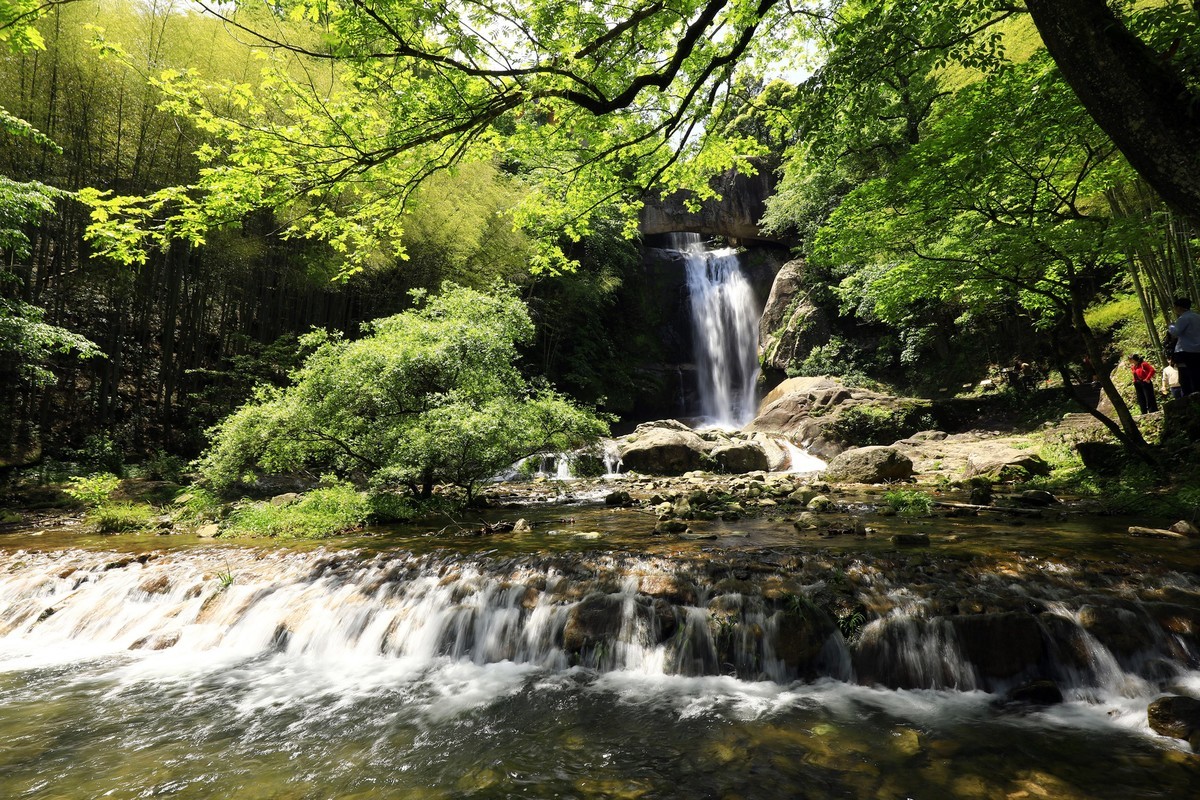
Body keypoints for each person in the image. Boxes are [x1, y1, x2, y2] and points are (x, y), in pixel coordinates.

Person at [1168, 297, 1200, 395]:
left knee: (1185, 376)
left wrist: (1170, 326)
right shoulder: (1197, 317)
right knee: (1196, 373)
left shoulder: (1183, 318)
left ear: (1179, 308)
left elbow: (1175, 332)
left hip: (1184, 350)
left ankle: (1189, 397)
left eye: (1176, 307)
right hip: (1197, 350)